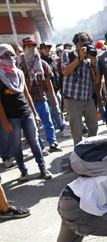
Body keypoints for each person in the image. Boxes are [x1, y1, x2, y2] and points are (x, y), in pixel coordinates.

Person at [0, 44, 52, 180]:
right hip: (12, 117)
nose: (9, 58)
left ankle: (43, 168)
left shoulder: (19, 73)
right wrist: (5, 122)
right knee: (16, 145)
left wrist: (34, 113)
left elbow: (26, 94)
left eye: (10, 54)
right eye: (4, 55)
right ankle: (23, 170)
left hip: (26, 113)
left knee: (34, 141)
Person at [18, 37, 62, 153]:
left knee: (48, 123)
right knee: (34, 127)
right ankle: (40, 148)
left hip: (42, 98)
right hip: (28, 102)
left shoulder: (42, 63)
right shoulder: (20, 65)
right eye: (28, 47)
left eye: (33, 46)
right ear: (24, 48)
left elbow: (48, 80)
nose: (31, 49)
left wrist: (53, 97)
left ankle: (53, 143)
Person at [61, 32, 99, 145]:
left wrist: (93, 62)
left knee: (94, 126)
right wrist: (79, 58)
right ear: (76, 44)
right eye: (82, 44)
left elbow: (96, 79)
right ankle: (79, 150)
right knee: (76, 129)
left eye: (88, 44)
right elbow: (65, 71)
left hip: (87, 97)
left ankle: (92, 147)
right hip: (72, 98)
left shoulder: (89, 57)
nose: (85, 47)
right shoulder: (68, 54)